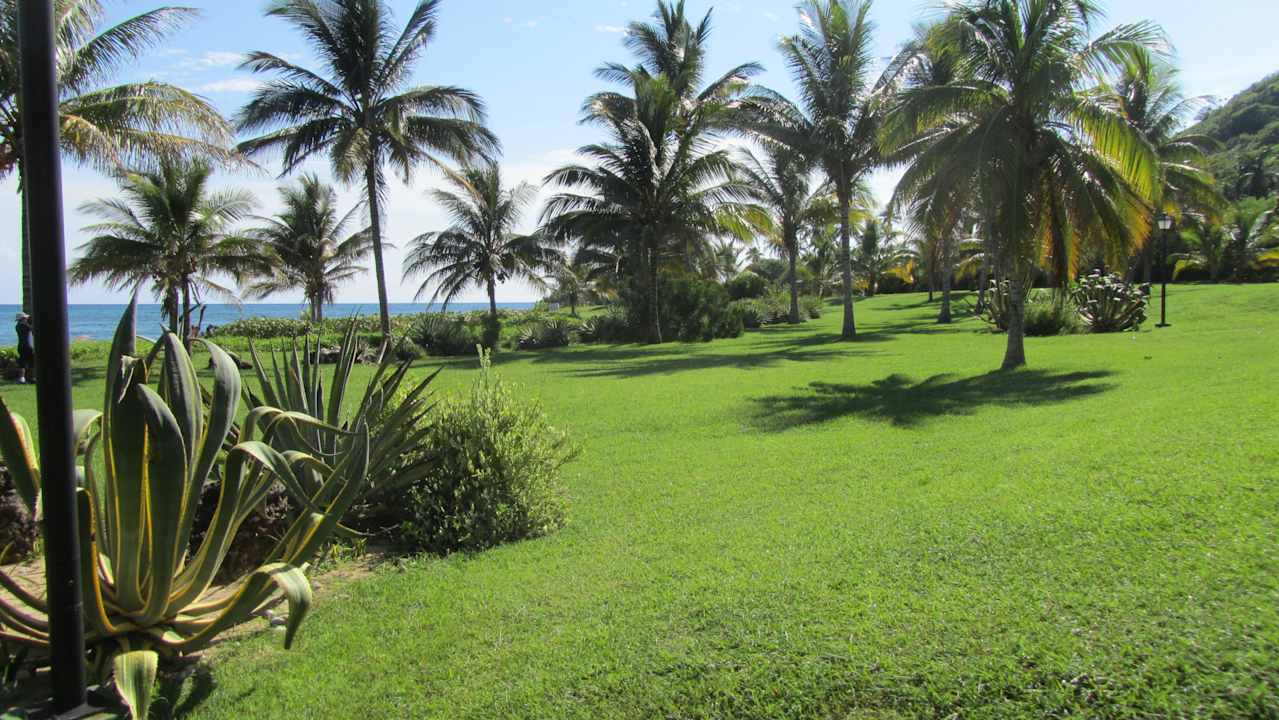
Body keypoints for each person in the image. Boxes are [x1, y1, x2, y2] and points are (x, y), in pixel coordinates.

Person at [14, 312, 34, 384]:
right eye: (26, 318)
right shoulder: (25, 326)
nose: (27, 319)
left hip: (21, 346)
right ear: (23, 319)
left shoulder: (17, 326)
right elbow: (33, 329)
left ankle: (23, 378)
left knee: (23, 362)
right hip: (27, 346)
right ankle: (31, 378)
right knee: (31, 362)